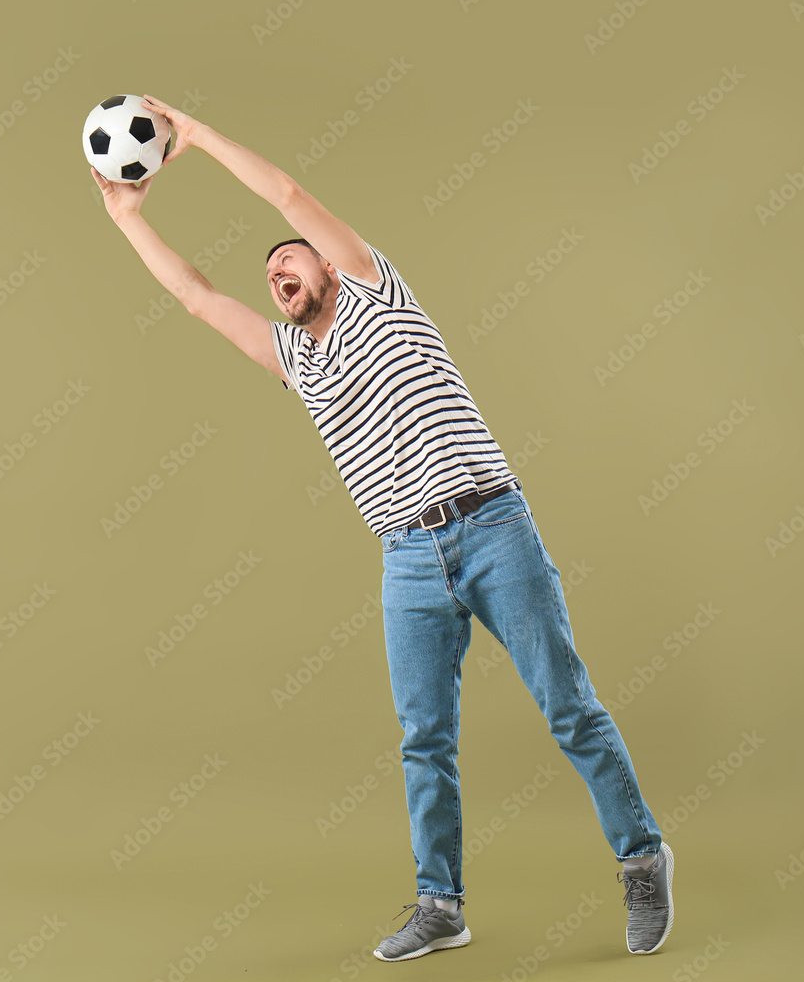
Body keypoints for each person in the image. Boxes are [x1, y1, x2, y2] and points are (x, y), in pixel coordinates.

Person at [91, 94, 675, 964]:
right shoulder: (296, 357)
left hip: (491, 525)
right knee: (423, 739)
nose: (278, 271)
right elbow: (196, 297)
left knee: (568, 708)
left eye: (293, 261)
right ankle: (442, 905)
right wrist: (126, 218)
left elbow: (287, 194)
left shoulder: (375, 289)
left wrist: (199, 137)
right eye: (271, 274)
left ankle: (642, 857)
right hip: (406, 557)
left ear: (331, 265)